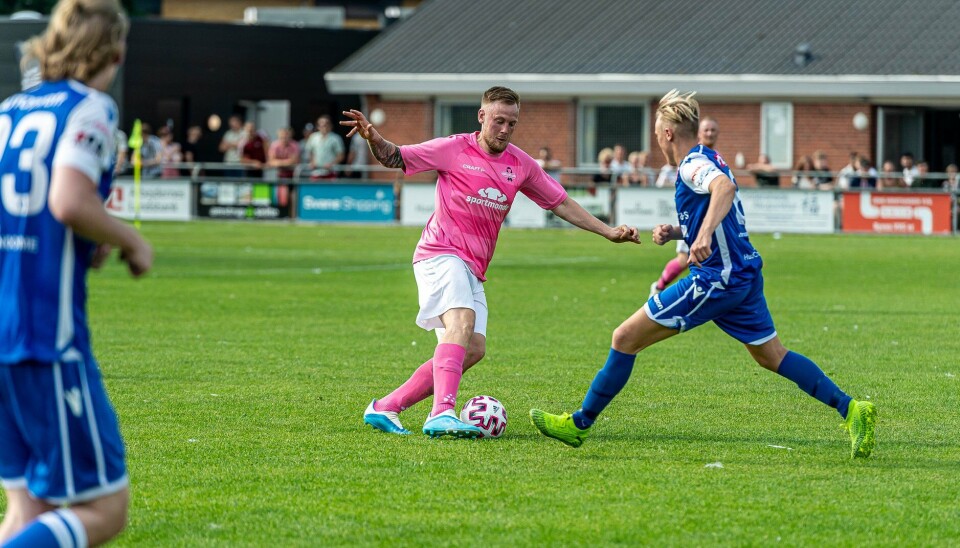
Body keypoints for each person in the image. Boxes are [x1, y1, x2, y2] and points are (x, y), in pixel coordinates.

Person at [529, 89, 876, 460]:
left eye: (656, 133)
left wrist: (704, 234)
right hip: (742, 274)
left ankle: (579, 423)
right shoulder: (710, 157)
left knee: (625, 337)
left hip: (717, 278)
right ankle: (852, 409)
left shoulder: (691, 164)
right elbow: (721, 204)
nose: (657, 141)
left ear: (667, 134)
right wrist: (680, 233)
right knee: (772, 355)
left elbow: (724, 189)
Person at [341, 86, 640, 438]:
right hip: (440, 253)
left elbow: (560, 202)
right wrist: (375, 138)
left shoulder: (520, 164)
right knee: (462, 320)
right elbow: (395, 157)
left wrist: (608, 231)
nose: (504, 129)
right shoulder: (453, 148)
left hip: (472, 267)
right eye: (498, 121)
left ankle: (386, 406)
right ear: (481, 116)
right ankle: (441, 413)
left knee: (473, 349)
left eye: (511, 123)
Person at [0, 1, 154, 546]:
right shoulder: (91, 108)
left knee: (28, 512)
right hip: (44, 339)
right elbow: (67, 200)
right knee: (104, 509)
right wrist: (131, 239)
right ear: (114, 51)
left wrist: (87, 238)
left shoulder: (9, 112)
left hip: (4, 331)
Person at [649, 115, 720, 297]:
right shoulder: (693, 161)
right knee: (684, 259)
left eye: (713, 130)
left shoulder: (712, 158)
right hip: (694, 218)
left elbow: (724, 187)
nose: (710, 133)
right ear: (698, 133)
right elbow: (724, 187)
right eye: (706, 130)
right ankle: (659, 287)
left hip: (711, 224)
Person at [306, 115, 344, 180]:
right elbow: (310, 152)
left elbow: (341, 156)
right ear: (318, 126)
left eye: (326, 124)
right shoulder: (313, 137)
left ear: (330, 125)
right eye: (321, 124)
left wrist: (331, 164)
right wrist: (312, 162)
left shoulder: (336, 138)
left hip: (331, 172)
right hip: (316, 172)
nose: (323, 126)